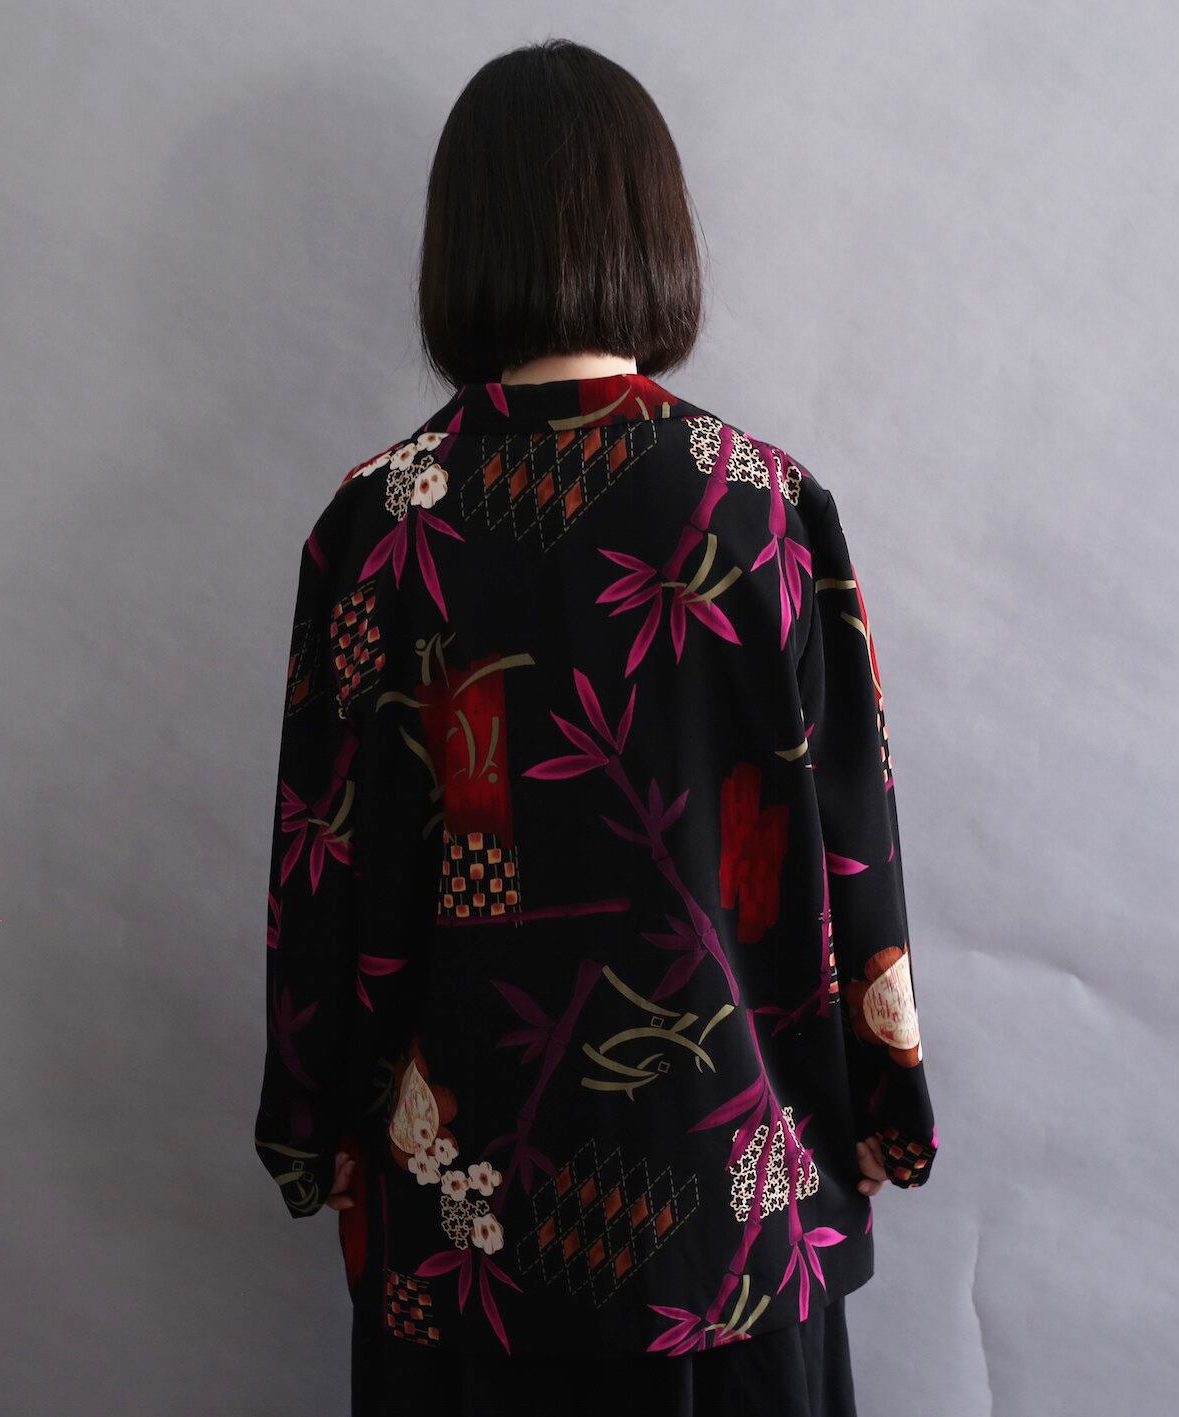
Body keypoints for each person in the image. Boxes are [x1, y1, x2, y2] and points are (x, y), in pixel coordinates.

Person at [252, 37, 938, 1417]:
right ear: (654, 230)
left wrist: (308, 1124)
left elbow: (326, 863)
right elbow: (846, 828)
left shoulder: (379, 526)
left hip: (463, 1239)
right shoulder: (763, 506)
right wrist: (886, 1102)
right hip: (736, 1219)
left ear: (459, 243)